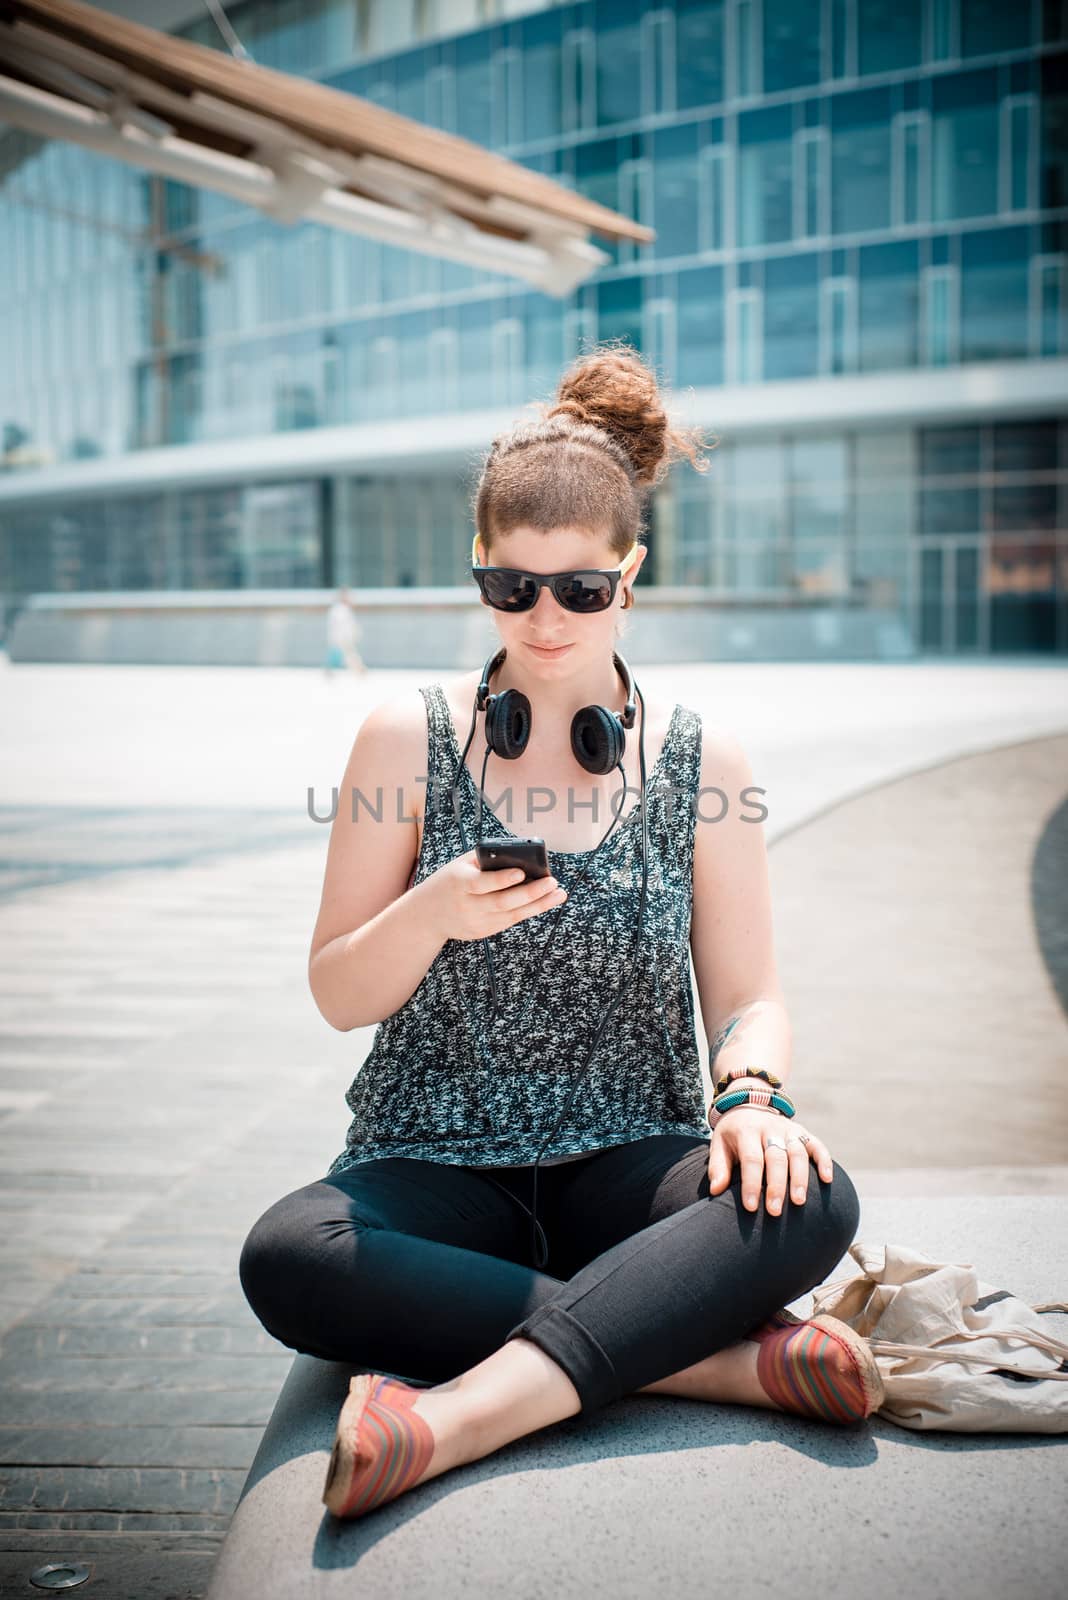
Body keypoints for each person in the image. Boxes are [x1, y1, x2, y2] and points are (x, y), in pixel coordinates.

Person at [239, 343, 877, 1522]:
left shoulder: (702, 758)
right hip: (429, 1155)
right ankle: (703, 1353)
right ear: (478, 574)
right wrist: (431, 909)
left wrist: (750, 1093)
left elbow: (752, 995)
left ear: (630, 575)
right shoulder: (404, 738)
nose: (544, 619)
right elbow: (339, 993)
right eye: (511, 586)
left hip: (631, 1158)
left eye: (580, 589)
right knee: (290, 1253)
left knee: (813, 1197)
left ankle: (448, 1417)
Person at [323, 587, 367, 677]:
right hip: (342, 638)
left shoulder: (343, 609)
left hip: (343, 638)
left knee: (345, 655)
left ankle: (329, 671)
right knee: (348, 655)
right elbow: (340, 626)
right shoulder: (339, 610)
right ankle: (360, 669)